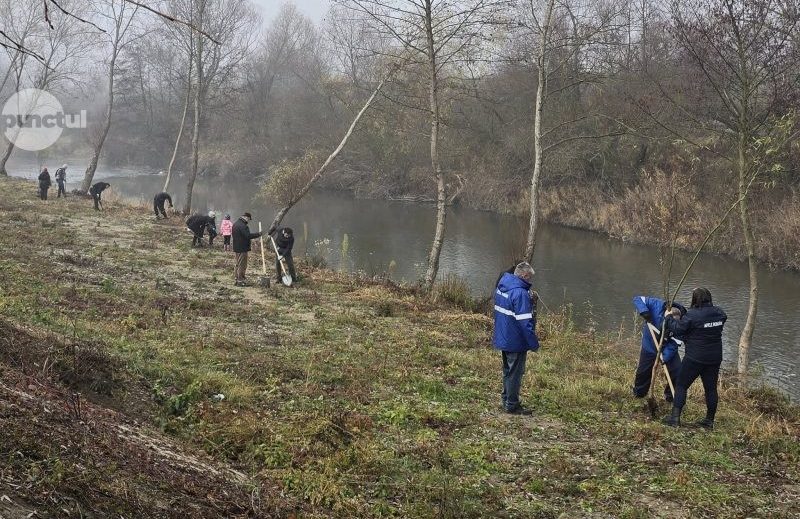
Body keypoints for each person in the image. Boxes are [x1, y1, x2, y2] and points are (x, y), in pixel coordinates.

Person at [662, 287, 727, 429]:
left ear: (695, 299)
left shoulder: (692, 315)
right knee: (710, 389)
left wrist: (668, 317)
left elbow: (677, 328)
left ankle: (674, 419)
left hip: (695, 358)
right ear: (709, 298)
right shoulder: (720, 313)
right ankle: (709, 421)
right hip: (714, 358)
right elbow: (720, 321)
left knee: (681, 385)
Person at [493, 262, 541, 415]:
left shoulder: (502, 287)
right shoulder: (520, 294)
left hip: (503, 336)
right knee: (515, 373)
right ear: (524, 275)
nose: (530, 281)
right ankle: (512, 404)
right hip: (516, 340)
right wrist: (533, 343)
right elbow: (525, 322)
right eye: (529, 277)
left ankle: (506, 399)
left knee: (508, 370)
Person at [632, 295, 686, 402]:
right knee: (643, 373)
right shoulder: (656, 305)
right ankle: (639, 394)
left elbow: (675, 343)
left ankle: (670, 397)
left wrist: (663, 357)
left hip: (667, 348)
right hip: (649, 346)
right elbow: (637, 298)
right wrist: (644, 311)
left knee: (677, 372)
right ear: (666, 314)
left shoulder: (683, 323)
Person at [232, 212, 262, 286]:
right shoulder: (243, 226)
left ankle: (237, 278)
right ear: (246, 217)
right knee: (242, 264)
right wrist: (258, 234)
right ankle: (240, 280)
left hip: (237, 247)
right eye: (249, 219)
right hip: (242, 248)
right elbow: (247, 236)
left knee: (237, 263)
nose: (248, 221)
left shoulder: (236, 223)